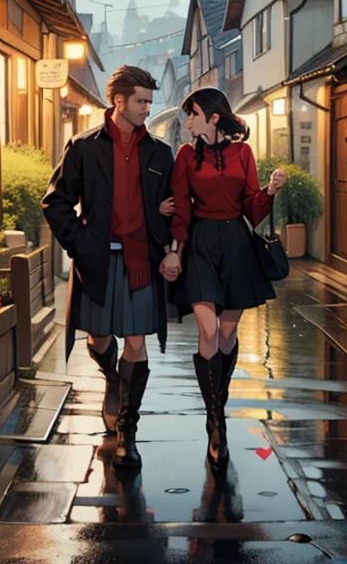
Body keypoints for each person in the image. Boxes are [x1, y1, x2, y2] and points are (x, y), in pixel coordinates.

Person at [42, 66, 174, 471]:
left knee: (136, 342)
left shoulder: (159, 151)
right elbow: (55, 202)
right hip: (97, 257)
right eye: (141, 101)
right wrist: (79, 244)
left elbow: (174, 204)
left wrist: (166, 228)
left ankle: (127, 435)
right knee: (99, 339)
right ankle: (114, 381)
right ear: (118, 101)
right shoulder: (83, 147)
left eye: (150, 102)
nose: (147, 109)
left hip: (141, 259)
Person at [160, 87, 286, 472]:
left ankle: (217, 411)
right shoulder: (185, 155)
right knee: (210, 331)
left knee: (227, 336)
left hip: (236, 244)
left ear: (214, 117)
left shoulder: (242, 153)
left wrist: (270, 191)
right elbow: (181, 206)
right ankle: (217, 425)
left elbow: (251, 206)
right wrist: (174, 251)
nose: (188, 121)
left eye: (193, 114)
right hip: (200, 244)